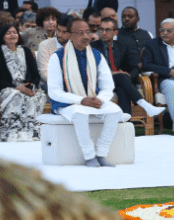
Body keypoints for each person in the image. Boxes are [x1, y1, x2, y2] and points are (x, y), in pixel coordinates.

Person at [47, 18, 123, 167]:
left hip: (93, 100)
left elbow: (107, 85)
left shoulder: (96, 55)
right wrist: (81, 100)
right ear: (69, 35)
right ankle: (89, 155)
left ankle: (101, 153)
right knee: (80, 113)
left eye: (88, 32)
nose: (86, 36)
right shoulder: (57, 57)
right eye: (80, 33)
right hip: (67, 103)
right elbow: (54, 91)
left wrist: (100, 99)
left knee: (115, 111)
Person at [91, 18, 164, 117]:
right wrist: (113, 73)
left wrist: (128, 77)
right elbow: (92, 68)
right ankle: (145, 105)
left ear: (115, 32)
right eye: (101, 29)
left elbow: (135, 66)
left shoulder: (122, 46)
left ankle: (125, 122)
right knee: (121, 78)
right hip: (100, 81)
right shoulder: (92, 47)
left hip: (119, 81)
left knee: (122, 87)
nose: (103, 33)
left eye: (107, 30)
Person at [0, 25, 47, 141]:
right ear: (2, 36)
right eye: (8, 33)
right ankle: (13, 132)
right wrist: (16, 87)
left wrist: (31, 87)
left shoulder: (25, 51)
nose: (12, 35)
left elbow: (36, 74)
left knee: (36, 97)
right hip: (7, 88)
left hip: (28, 88)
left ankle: (30, 133)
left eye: (15, 32)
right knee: (17, 95)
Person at [142, 18, 174, 122]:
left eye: (169, 31)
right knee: (171, 86)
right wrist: (168, 71)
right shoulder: (152, 45)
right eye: (162, 30)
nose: (165, 33)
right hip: (165, 79)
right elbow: (146, 65)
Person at [36, 15, 73, 90]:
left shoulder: (78, 46)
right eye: (58, 30)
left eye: (64, 32)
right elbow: (44, 74)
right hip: (50, 85)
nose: (59, 34)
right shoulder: (45, 45)